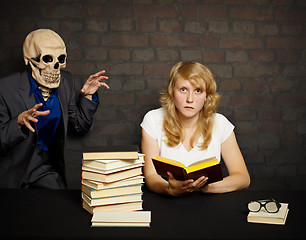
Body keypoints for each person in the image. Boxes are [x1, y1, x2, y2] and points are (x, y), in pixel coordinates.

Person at [0, 29, 109, 189]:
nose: (56, 66)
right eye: (47, 59)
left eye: (60, 59)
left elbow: (79, 126)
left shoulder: (66, 82)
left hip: (45, 170)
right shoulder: (5, 87)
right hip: (12, 172)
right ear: (29, 60)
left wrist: (87, 97)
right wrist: (17, 123)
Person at [141, 61, 250, 196]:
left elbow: (243, 178)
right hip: (166, 203)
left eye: (198, 91)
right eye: (183, 89)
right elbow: (151, 176)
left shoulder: (220, 123)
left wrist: (205, 188)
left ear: (206, 96)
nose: (190, 99)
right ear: (172, 91)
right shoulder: (153, 119)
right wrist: (170, 190)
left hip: (209, 205)